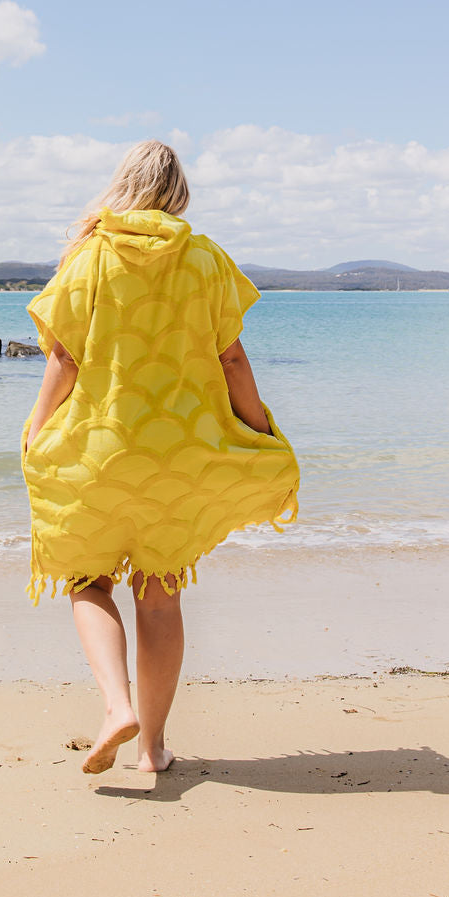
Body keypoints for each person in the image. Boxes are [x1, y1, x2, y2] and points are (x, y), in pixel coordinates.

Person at [21, 140, 300, 776]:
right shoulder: (205, 259)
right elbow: (231, 358)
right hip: (180, 459)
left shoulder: (91, 255)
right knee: (160, 592)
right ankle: (151, 749)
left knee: (88, 580)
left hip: (99, 452)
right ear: (179, 192)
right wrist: (259, 430)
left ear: (122, 185)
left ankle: (116, 707)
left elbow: (63, 358)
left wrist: (38, 429)